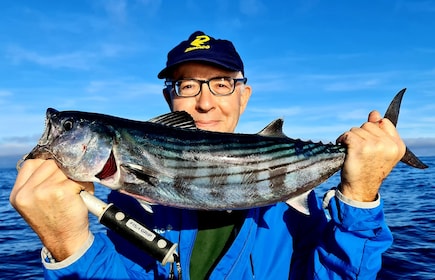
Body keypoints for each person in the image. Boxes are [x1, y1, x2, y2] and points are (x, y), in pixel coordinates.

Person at [10, 31, 406, 279]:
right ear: (169, 98)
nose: (204, 103)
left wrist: (359, 197)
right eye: (186, 86)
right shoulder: (125, 202)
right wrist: (69, 245)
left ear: (243, 95)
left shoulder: (293, 210)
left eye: (220, 83)